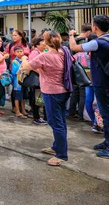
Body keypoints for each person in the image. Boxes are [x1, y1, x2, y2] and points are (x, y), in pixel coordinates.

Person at [20, 31, 70, 166]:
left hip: (51, 92)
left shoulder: (45, 56)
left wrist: (24, 58)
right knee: (61, 121)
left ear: (46, 42)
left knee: (55, 123)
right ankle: (57, 147)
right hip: (63, 90)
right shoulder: (64, 52)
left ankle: (61, 155)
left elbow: (26, 67)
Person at [69, 15, 109, 159]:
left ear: (95, 27)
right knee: (105, 113)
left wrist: (71, 35)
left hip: (102, 83)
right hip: (105, 81)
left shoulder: (97, 43)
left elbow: (73, 47)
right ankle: (106, 141)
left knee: (106, 113)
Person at [29, 36, 48, 125]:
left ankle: (44, 117)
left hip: (42, 79)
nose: (45, 43)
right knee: (37, 98)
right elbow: (32, 65)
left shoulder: (43, 51)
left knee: (40, 98)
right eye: (43, 42)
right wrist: (42, 73)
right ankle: (36, 117)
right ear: (37, 45)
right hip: (37, 79)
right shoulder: (34, 53)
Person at [11, 46, 27, 118]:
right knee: (17, 97)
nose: (20, 53)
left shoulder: (25, 60)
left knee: (23, 97)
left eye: (21, 51)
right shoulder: (15, 61)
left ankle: (23, 110)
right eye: (18, 51)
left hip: (24, 81)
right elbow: (15, 71)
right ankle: (17, 111)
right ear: (14, 53)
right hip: (17, 82)